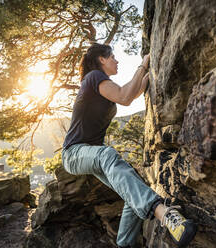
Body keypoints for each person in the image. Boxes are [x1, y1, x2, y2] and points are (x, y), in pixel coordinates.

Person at [61, 43, 196, 248]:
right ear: (101, 60)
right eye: (113, 56)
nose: (117, 60)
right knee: (108, 155)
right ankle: (165, 214)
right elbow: (124, 96)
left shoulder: (102, 85)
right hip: (74, 153)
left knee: (132, 189)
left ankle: (124, 244)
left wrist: (151, 68)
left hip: (92, 155)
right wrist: (143, 64)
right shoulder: (94, 77)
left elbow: (133, 92)